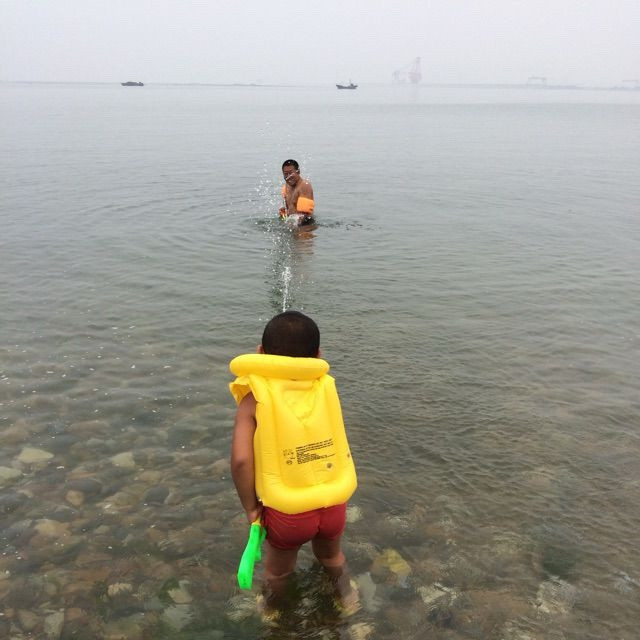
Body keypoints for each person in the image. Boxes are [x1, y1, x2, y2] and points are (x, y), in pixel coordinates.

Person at [229, 311, 357, 612]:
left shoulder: (254, 397)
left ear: (260, 353)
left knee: (278, 573)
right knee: (332, 557)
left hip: (287, 513)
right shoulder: (324, 387)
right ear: (318, 355)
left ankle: (273, 615)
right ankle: (347, 599)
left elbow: (241, 461)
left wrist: (251, 508)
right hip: (333, 504)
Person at [279, 159, 316, 227]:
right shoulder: (286, 187)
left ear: (298, 172)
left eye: (291, 173)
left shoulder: (304, 186)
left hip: (305, 227)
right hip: (292, 226)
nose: (288, 176)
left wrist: (293, 227)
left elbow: (305, 215)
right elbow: (285, 211)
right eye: (286, 174)